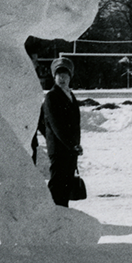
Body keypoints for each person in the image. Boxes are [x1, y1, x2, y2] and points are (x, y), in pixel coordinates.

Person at [41, 57, 82, 207]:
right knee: (57, 186)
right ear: (54, 77)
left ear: (71, 76)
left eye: (65, 75)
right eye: (59, 75)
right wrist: (72, 144)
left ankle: (62, 215)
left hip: (70, 149)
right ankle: (52, 216)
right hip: (59, 150)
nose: (62, 78)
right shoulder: (52, 97)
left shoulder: (70, 95)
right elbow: (57, 125)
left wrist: (75, 145)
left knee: (66, 187)